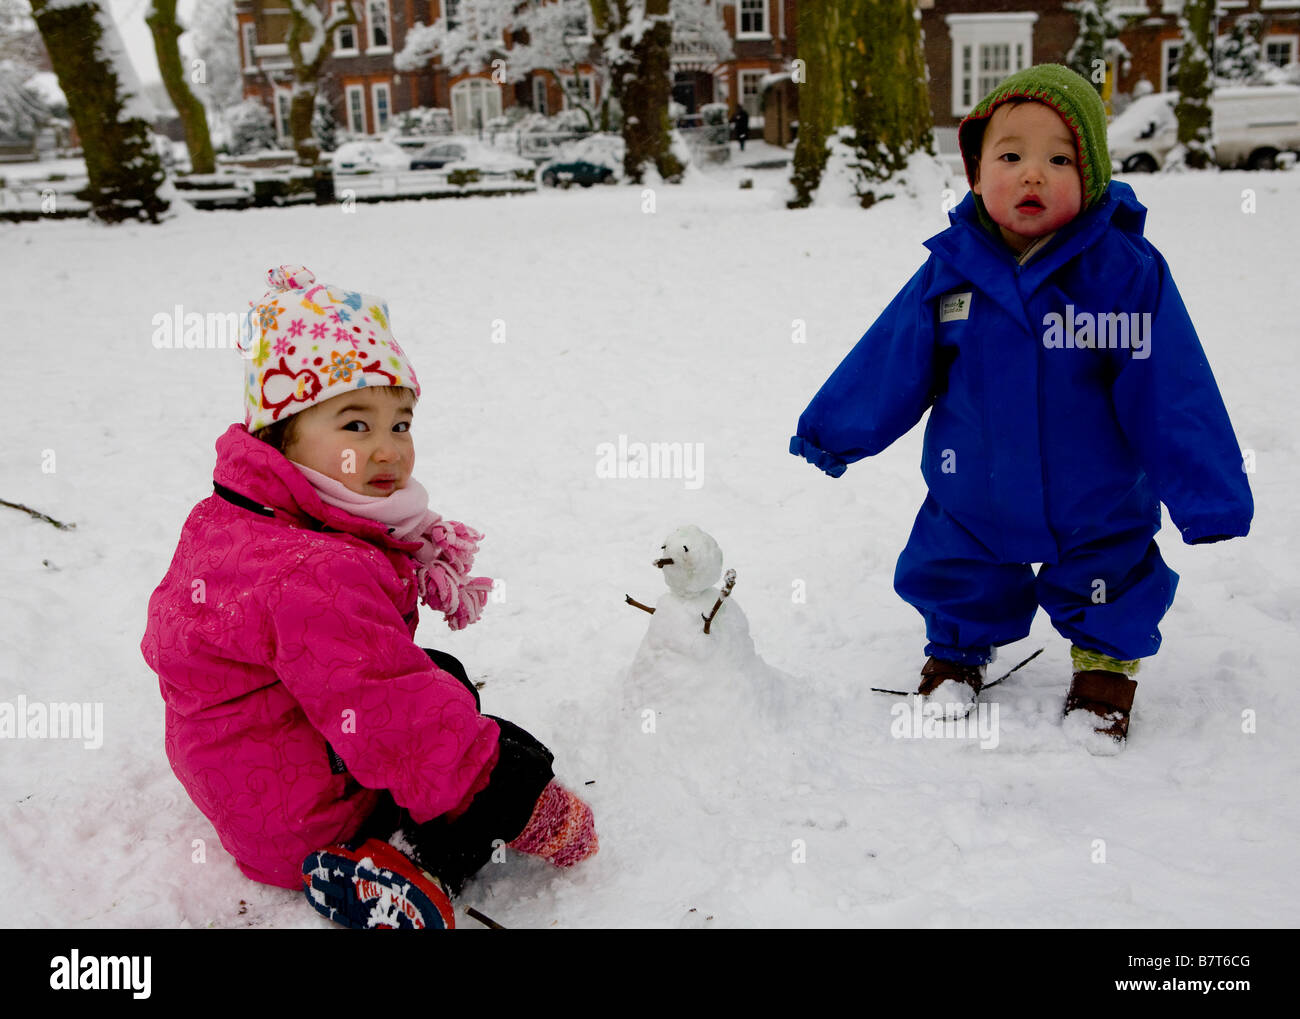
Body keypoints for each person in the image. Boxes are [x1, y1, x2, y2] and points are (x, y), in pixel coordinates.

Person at [788, 65, 1252, 753]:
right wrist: (833, 428)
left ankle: (1103, 671)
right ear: (975, 173)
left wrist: (1208, 494)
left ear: (1090, 178)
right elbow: (893, 358)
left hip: (1095, 499)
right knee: (956, 565)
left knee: (1109, 577)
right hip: (975, 491)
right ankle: (955, 655)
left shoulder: (1123, 275)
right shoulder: (951, 271)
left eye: (1059, 158)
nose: (1032, 174)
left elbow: (1171, 389)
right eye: (1010, 156)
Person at [141, 265, 597, 928]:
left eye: (401, 422)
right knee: (492, 752)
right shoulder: (314, 574)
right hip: (302, 820)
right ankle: (403, 868)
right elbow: (394, 713)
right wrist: (516, 798)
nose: (389, 449)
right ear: (283, 433)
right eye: (356, 425)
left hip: (239, 770)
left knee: (441, 677)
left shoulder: (239, 516)